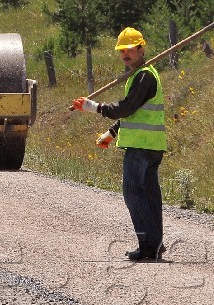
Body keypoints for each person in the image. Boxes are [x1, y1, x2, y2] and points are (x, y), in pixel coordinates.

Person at [70, 27, 167, 261]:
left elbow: (126, 108)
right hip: (149, 145)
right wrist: (112, 133)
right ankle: (155, 244)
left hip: (141, 147)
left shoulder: (144, 76)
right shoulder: (141, 75)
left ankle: (148, 246)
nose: (125, 54)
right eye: (121, 51)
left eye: (130, 50)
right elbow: (136, 114)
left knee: (134, 194)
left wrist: (94, 107)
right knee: (149, 195)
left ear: (141, 49)